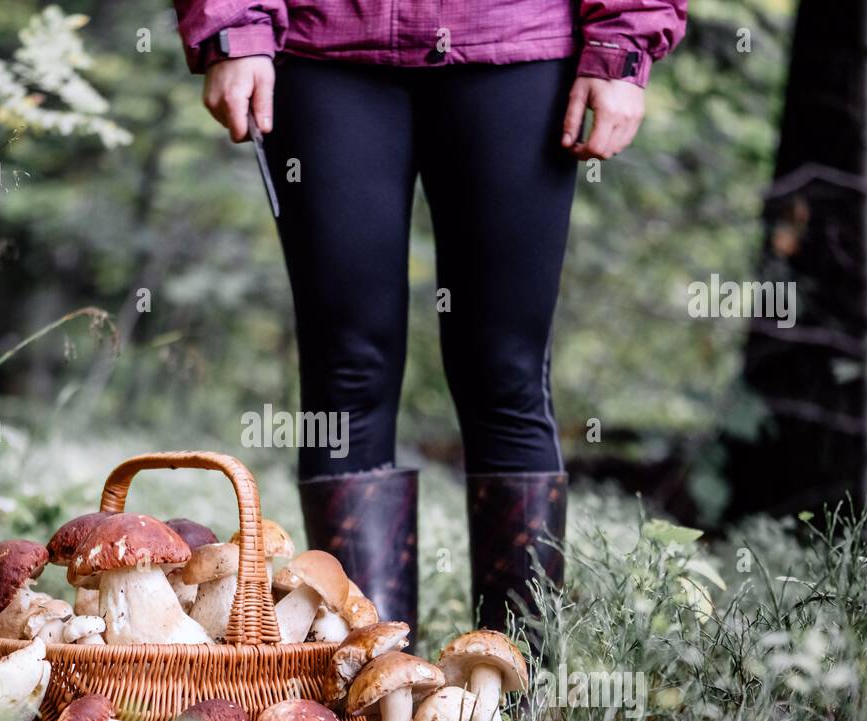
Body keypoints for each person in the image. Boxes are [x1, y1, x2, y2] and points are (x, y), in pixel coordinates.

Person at [174, 1, 687, 653]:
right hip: (323, 47)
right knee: (344, 375)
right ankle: (363, 707)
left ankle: (512, 705)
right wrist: (234, 26)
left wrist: (624, 41)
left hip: (517, 44)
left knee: (507, 378)